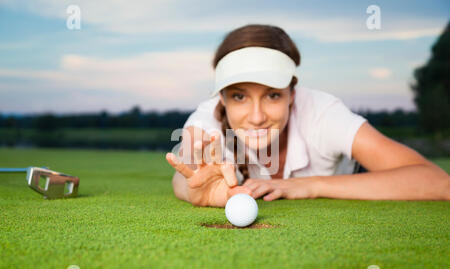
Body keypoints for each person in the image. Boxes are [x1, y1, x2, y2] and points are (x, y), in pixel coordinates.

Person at [166, 24, 449, 207]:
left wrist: (311, 184)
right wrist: (198, 193)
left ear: (292, 93)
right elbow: (186, 174)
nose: (256, 117)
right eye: (239, 96)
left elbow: (437, 182)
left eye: (273, 94)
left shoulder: (323, 113)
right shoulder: (207, 119)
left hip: (356, 178)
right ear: (222, 99)